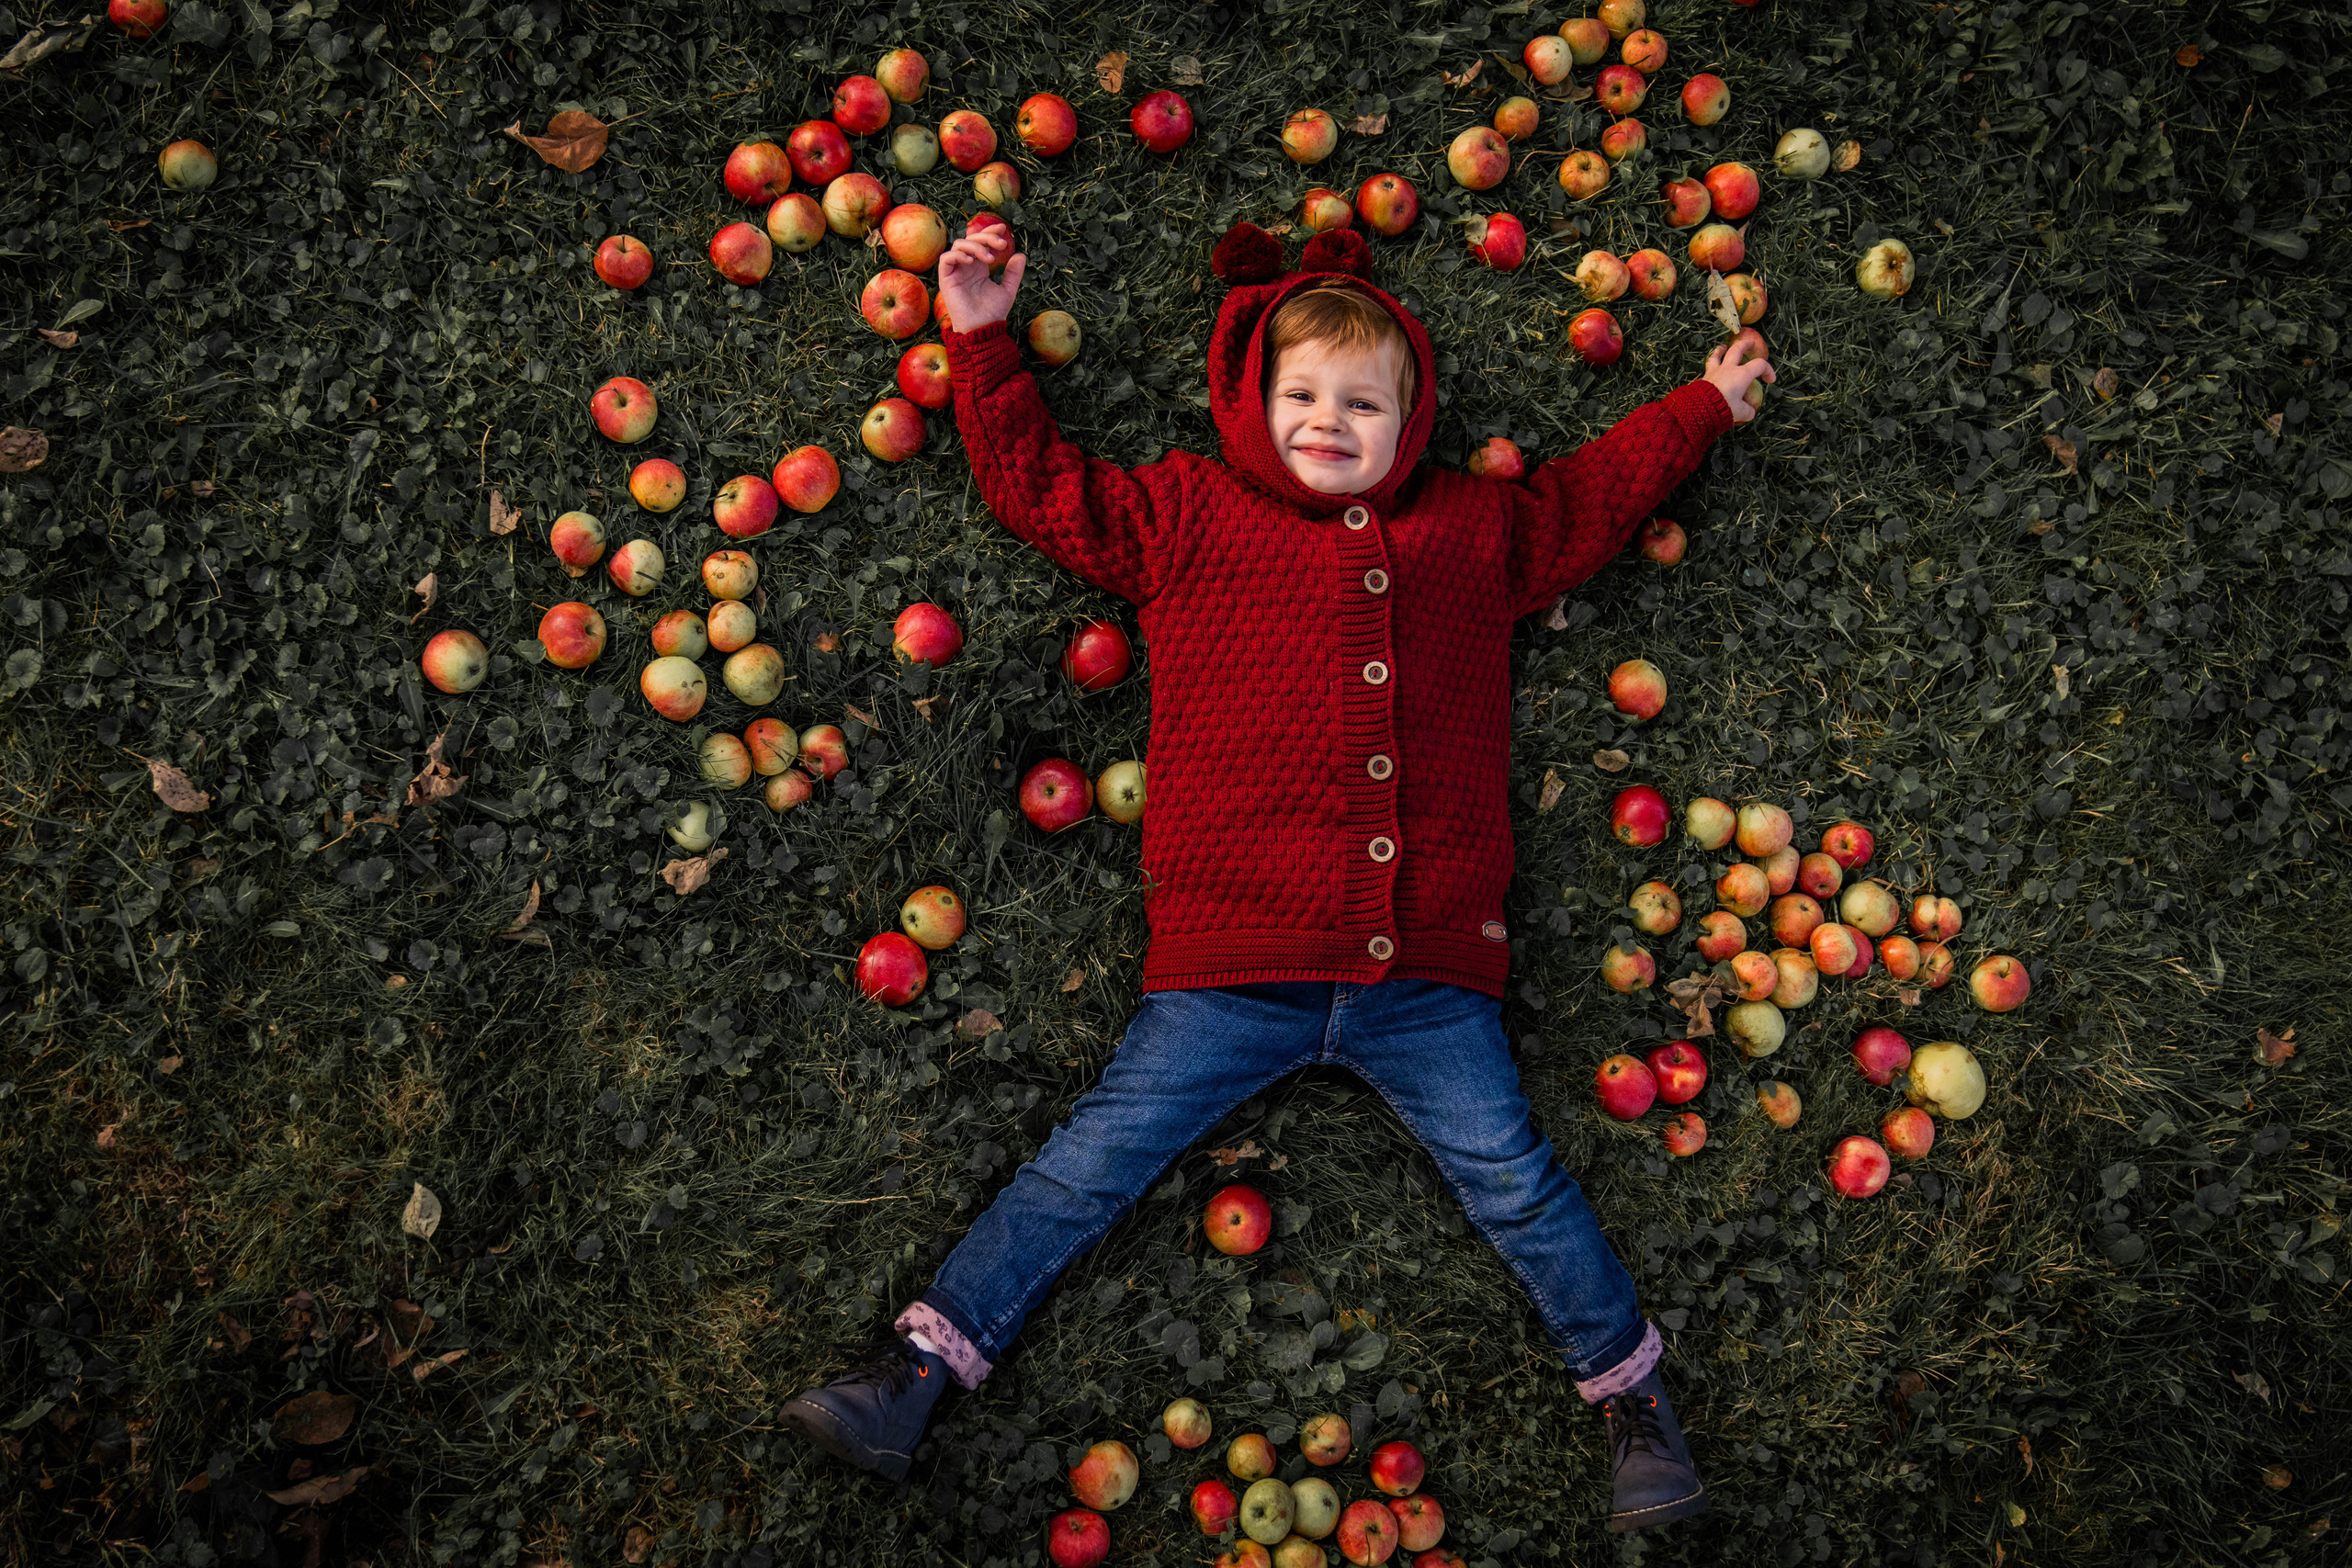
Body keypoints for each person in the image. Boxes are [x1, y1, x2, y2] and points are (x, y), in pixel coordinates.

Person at [780, 216, 1774, 1532]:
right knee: (1089, 1164)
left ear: (1411, 420)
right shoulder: (1187, 516)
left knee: (1516, 1178)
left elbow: (1589, 498)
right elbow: (1043, 490)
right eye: (1300, 394)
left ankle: (1634, 1403)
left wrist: (1704, 404)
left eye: (1362, 402)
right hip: (1227, 970)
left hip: (1426, 980)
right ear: (1249, 399)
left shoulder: (1471, 534)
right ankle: (914, 1371)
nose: (1327, 419)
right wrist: (980, 341)